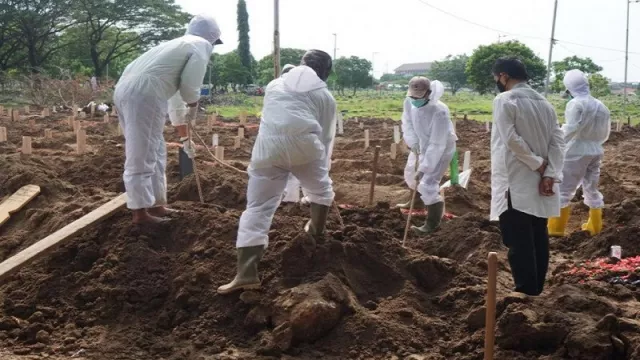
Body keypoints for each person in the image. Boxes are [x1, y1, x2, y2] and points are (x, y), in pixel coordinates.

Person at [218, 50, 336, 294]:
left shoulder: (274, 85)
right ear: (325, 72)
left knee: (257, 208)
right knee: (321, 192)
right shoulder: (325, 96)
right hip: (306, 146)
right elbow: (325, 136)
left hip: (267, 149)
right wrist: (321, 167)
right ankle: (315, 234)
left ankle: (246, 273)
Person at [113, 14, 222, 224]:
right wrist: (193, 103)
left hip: (128, 90)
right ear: (212, 38)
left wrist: (185, 136)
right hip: (145, 94)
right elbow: (190, 86)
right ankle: (140, 213)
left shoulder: (174, 47)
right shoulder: (201, 45)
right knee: (142, 152)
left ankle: (157, 205)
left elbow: (174, 100)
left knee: (155, 148)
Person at [490, 57, 565, 296]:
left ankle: (525, 290)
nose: (497, 83)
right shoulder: (545, 103)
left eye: (497, 78)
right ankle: (536, 289)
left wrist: (537, 164)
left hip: (516, 178)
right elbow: (557, 142)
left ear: (503, 76)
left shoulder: (505, 99)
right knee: (537, 233)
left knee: (518, 237)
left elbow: (510, 139)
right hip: (540, 178)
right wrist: (550, 172)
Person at [548, 69, 610, 237]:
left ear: (570, 87)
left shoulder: (576, 104)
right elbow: (605, 133)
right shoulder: (601, 105)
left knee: (563, 189)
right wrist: (593, 143)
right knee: (591, 186)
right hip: (596, 149)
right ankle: (595, 226)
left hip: (576, 151)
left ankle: (556, 228)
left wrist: (554, 142)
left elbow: (570, 128)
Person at [397, 77, 457, 234]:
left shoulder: (439, 111)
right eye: (413, 96)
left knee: (427, 182)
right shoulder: (409, 101)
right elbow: (407, 122)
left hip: (441, 149)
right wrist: (413, 142)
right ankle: (417, 202)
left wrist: (425, 167)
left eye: (419, 96)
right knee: (411, 173)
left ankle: (432, 223)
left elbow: (437, 144)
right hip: (421, 143)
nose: (415, 100)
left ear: (428, 93)